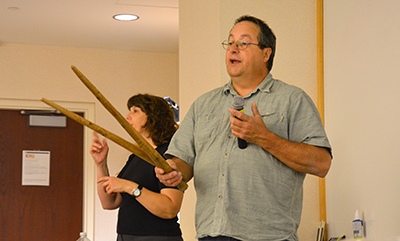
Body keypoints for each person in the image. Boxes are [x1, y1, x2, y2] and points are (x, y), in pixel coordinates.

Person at [155, 15, 332, 241]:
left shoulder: (292, 99)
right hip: (211, 233)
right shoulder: (203, 104)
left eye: (243, 43)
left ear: (266, 54)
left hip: (268, 237)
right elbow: (183, 162)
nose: (233, 49)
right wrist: (172, 169)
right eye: (230, 42)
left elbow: (321, 163)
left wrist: (264, 137)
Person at [90, 93, 184, 241]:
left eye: (135, 111)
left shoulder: (168, 155)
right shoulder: (137, 156)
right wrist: (101, 164)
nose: (127, 117)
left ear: (154, 117)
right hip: (126, 236)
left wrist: (130, 187)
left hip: (156, 237)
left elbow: (170, 209)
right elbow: (109, 202)